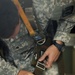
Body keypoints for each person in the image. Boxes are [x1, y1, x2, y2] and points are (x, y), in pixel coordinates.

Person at [0, 0, 75, 75]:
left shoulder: (42, 3)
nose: (12, 38)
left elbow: (71, 11)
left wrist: (58, 44)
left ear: (17, 8)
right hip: (7, 65)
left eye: (14, 29)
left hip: (44, 58)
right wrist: (15, 73)